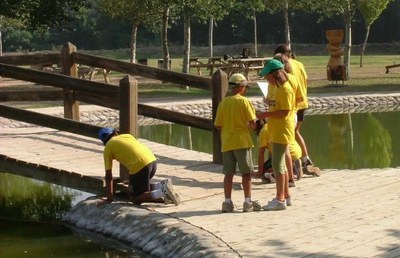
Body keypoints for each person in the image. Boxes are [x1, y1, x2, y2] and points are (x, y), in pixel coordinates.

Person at [96, 127, 180, 206]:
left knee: (135, 199)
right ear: (116, 133)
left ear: (104, 142)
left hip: (141, 167)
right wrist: (132, 180)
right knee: (137, 188)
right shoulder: (127, 136)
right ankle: (161, 187)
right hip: (152, 162)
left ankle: (162, 191)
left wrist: (109, 199)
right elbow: (132, 152)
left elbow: (108, 176)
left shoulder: (108, 148)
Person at [214, 73, 261, 213]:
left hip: (227, 142)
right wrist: (253, 128)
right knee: (246, 174)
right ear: (241, 87)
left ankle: (227, 202)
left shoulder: (223, 103)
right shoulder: (244, 102)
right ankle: (247, 202)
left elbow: (218, 125)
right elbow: (253, 123)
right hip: (242, 142)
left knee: (228, 174)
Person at [273, 44, 320, 177]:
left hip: (291, 103)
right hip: (302, 101)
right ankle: (305, 158)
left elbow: (286, 82)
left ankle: (294, 162)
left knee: (288, 134)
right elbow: (305, 80)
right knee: (295, 132)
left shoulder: (285, 65)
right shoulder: (299, 64)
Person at [257, 59, 296, 211]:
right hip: (275, 129)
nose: (266, 79)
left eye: (268, 75)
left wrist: (265, 114)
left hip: (282, 130)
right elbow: (274, 104)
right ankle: (285, 195)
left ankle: (280, 199)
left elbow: (285, 111)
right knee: (280, 164)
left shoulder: (286, 89)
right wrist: (267, 102)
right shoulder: (274, 87)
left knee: (277, 164)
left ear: (276, 74)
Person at [255, 119, 303, 183]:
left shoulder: (263, 131)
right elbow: (271, 151)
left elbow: (261, 153)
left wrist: (260, 171)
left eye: (251, 123)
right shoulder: (273, 126)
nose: (249, 125)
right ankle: (294, 167)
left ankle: (273, 175)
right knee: (273, 164)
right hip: (297, 150)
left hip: (286, 154)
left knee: (267, 170)